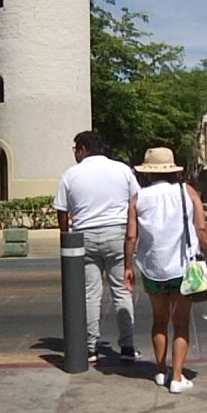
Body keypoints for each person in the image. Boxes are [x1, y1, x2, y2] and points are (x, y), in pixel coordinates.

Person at [124, 147, 207, 393]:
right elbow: (201, 229)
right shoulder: (187, 192)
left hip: (152, 268)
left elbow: (131, 236)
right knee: (181, 323)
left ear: (148, 173)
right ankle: (177, 377)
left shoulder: (138, 197)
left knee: (159, 320)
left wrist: (128, 265)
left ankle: (160, 371)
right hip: (183, 268)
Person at [53, 131, 141, 364]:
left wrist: (66, 236)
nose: (75, 154)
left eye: (75, 150)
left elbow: (61, 210)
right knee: (122, 291)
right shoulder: (122, 170)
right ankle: (127, 347)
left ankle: (90, 348)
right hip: (117, 234)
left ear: (83, 148)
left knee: (91, 294)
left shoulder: (70, 175)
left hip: (85, 237)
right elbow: (136, 203)